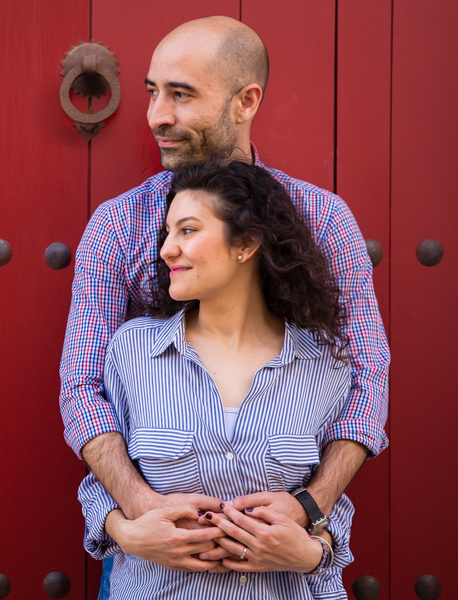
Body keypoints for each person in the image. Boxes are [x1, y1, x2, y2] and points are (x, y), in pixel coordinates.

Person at [59, 15, 389, 572]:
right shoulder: (118, 226)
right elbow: (83, 386)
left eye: (181, 95)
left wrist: (309, 507)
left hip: (285, 563)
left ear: (246, 101)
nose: (157, 116)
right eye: (153, 93)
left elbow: (366, 373)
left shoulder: (324, 222)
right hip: (153, 566)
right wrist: (144, 515)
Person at [80, 159, 354, 597]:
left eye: (187, 231)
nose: (167, 249)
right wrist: (124, 533)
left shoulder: (324, 364)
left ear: (245, 243)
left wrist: (311, 554)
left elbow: (329, 502)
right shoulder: (133, 352)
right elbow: (103, 481)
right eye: (167, 233)